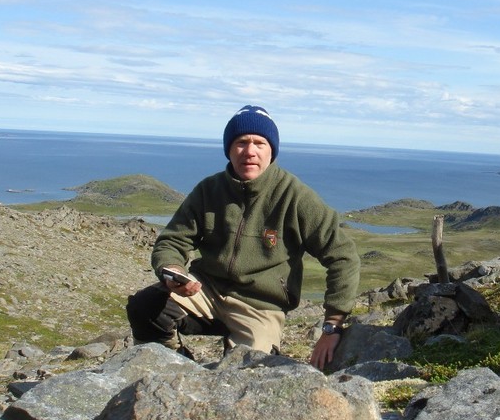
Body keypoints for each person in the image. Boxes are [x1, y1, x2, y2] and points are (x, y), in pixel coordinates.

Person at [126, 105, 360, 370]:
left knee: (246, 374)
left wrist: (332, 327)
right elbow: (173, 240)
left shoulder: (295, 197)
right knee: (145, 307)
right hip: (207, 291)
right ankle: (173, 370)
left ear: (272, 150)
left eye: (259, 143)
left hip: (260, 306)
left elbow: (342, 256)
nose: (250, 151)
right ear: (229, 149)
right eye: (241, 143)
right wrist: (172, 270)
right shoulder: (209, 190)